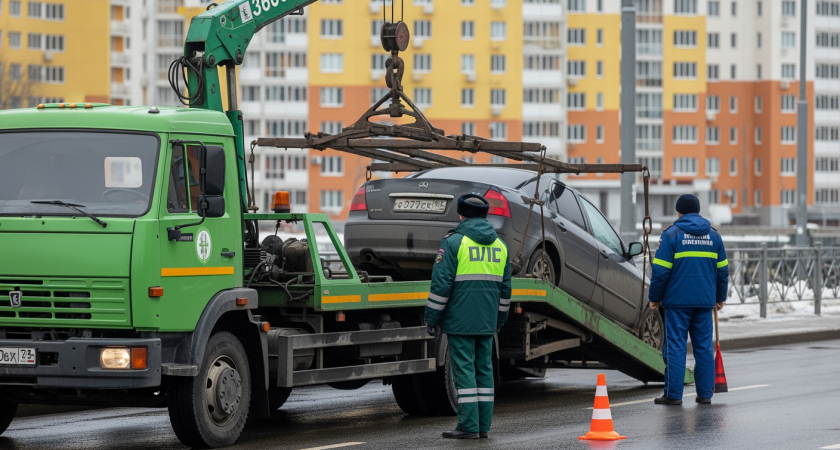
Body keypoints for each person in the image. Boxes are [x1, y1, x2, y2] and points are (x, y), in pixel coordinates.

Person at [425, 194, 512, 439]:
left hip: (459, 320)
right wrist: (500, 319)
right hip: (487, 321)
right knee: (484, 370)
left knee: (464, 372)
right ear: (485, 215)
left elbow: (441, 285)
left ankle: (468, 426)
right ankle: (483, 426)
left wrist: (432, 319)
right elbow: (505, 290)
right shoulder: (500, 246)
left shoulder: (453, 243)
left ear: (461, 215)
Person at [648, 194, 729, 405]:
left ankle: (673, 395)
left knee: (675, 347)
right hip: (704, 302)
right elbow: (723, 271)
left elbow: (660, 272)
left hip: (677, 303)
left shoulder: (671, 235)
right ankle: (704, 395)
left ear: (679, 212)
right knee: (703, 348)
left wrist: (654, 298)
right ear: (698, 211)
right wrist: (720, 297)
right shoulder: (714, 236)